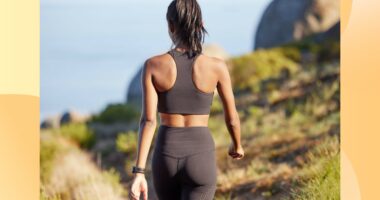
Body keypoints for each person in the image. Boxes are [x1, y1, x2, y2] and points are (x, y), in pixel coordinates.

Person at [129, 0, 244, 199]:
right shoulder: (217, 67)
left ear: (170, 26)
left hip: (166, 155)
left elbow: (148, 121)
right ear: (201, 25)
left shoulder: (153, 65)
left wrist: (139, 173)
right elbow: (232, 118)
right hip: (200, 155)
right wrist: (237, 144)